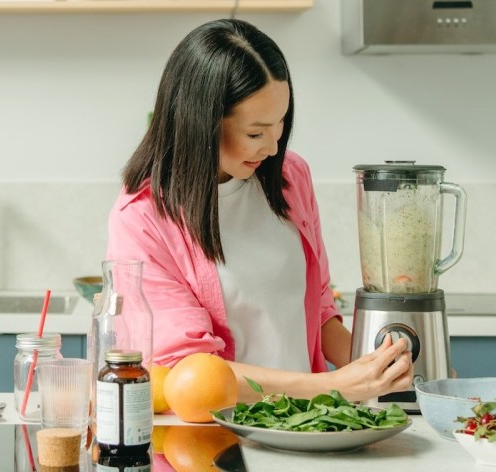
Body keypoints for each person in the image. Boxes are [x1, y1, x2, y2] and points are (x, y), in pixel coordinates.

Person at [105, 18, 413, 402]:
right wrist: (334, 387)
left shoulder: (290, 177)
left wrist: (385, 370)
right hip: (219, 439)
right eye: (255, 133)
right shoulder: (143, 218)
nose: (271, 147)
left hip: (310, 425)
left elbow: (318, 309)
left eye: (280, 125)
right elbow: (192, 370)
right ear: (202, 124)